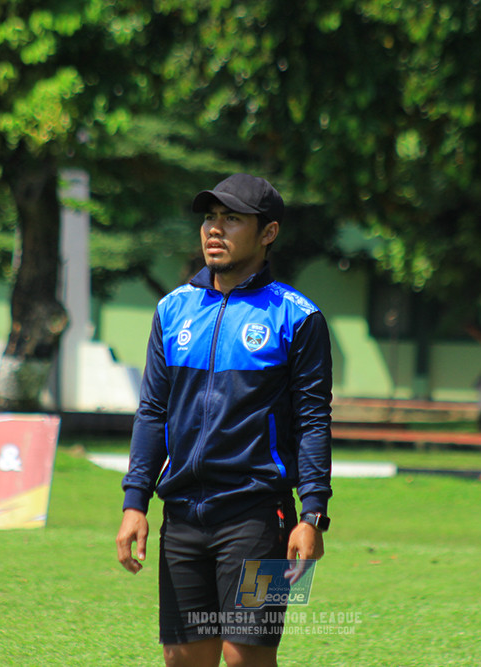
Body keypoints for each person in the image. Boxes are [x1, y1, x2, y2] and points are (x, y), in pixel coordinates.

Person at [116, 173, 333, 667]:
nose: (215, 229)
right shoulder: (173, 309)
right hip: (184, 516)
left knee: (247, 658)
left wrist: (313, 514)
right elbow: (152, 411)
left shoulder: (298, 317)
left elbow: (314, 419)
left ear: (268, 233)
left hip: (261, 517)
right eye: (210, 217)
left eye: (232, 218)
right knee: (183, 658)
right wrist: (135, 503)